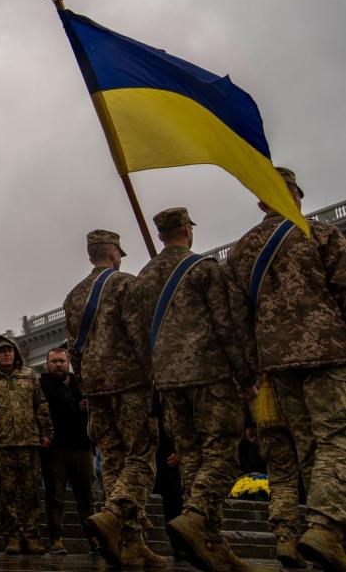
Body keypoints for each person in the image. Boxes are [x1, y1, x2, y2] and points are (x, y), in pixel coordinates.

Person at [225, 167, 346, 572]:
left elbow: (236, 322)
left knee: (309, 444)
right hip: (328, 353)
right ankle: (325, 525)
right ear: (297, 196)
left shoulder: (242, 252)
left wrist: (251, 374)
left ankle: (320, 535)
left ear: (261, 201)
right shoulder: (322, 235)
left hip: (274, 365)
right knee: (336, 438)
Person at [125, 207, 255, 572]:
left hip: (167, 382)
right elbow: (225, 324)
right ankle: (197, 517)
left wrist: (153, 379)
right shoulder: (204, 269)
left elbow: (138, 337)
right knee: (224, 454)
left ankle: (212, 543)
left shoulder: (142, 278)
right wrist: (245, 375)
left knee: (192, 460)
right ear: (186, 229)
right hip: (208, 374)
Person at [66, 229, 162, 567]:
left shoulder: (73, 296)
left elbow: (72, 349)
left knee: (113, 461)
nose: (121, 258)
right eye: (119, 253)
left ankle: (130, 542)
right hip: (128, 384)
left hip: (94, 388)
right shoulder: (125, 283)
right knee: (141, 454)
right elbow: (139, 333)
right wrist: (152, 375)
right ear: (112, 252)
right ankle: (113, 513)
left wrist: (86, 384)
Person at [0, 335, 52, 555]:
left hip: (29, 442)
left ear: (15, 353)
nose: (7, 354)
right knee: (7, 495)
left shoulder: (28, 376)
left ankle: (32, 536)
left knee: (31, 494)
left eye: (10, 350)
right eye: (2, 351)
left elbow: (41, 405)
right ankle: (12, 538)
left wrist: (46, 433)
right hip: (2, 444)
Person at [39, 347, 96, 555]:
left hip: (82, 446)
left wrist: (88, 407)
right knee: (55, 497)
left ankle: (94, 539)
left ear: (68, 362)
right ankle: (56, 539)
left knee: (87, 498)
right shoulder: (42, 385)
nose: (58, 365)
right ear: (48, 364)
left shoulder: (80, 384)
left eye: (61, 361)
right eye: (53, 361)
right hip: (56, 449)